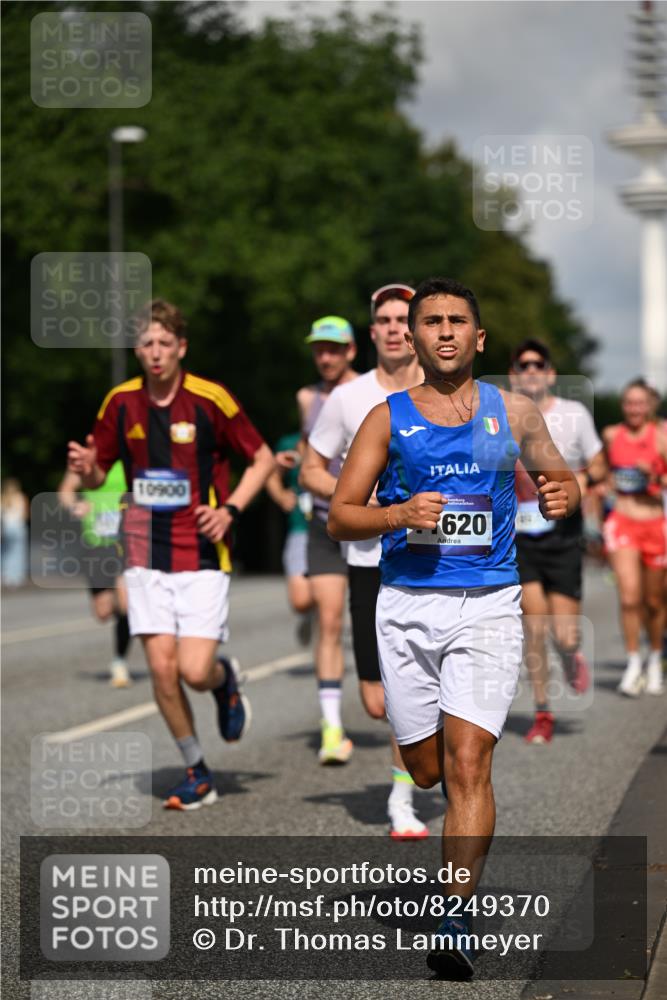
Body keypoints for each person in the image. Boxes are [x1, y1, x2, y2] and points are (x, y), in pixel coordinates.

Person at [328, 277, 580, 978]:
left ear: (477, 338)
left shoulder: (515, 411)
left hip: (489, 604)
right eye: (429, 322)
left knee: (469, 762)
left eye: (455, 321)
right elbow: (340, 514)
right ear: (411, 336)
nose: (442, 332)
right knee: (427, 769)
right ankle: (427, 789)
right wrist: (397, 516)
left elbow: (561, 481)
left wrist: (566, 492)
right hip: (406, 606)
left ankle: (454, 917)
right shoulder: (387, 417)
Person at [67, 299, 275, 809]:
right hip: (143, 549)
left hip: (203, 550)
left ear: (181, 347)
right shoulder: (120, 402)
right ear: (136, 350)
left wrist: (229, 509)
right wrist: (89, 468)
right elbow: (98, 474)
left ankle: (223, 681)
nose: (155, 353)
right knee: (161, 669)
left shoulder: (210, 399)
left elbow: (263, 458)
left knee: (193, 670)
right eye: (145, 344)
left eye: (164, 343)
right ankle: (196, 769)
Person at [302, 283, 430, 838]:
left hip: (434, 559)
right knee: (378, 702)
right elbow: (310, 469)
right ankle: (424, 751)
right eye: (385, 319)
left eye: (406, 318)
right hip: (366, 558)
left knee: (421, 685)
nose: (396, 327)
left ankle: (403, 800)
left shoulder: (446, 391)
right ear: (372, 332)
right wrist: (353, 496)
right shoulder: (348, 399)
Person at [508, 339, 606, 744]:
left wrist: (581, 480)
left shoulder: (574, 414)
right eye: (522, 365)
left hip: (563, 536)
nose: (530, 371)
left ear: (549, 373)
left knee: (564, 634)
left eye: (538, 364)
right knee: (534, 625)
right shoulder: (501, 414)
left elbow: (599, 462)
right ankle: (543, 712)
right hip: (520, 536)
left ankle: (569, 655)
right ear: (514, 374)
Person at [297, 316, 358, 764]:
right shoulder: (307, 398)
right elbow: (312, 451)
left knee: (378, 624)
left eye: (334, 349)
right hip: (323, 521)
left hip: (371, 524)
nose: (326, 357)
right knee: (330, 620)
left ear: (351, 351)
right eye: (319, 349)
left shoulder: (369, 392)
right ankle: (332, 727)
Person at [602, 378, 667, 696]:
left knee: (654, 602)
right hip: (622, 522)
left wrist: (655, 475)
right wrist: (600, 482)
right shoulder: (612, 435)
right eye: (629, 402)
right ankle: (632, 663)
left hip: (655, 525)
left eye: (640, 402)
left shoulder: (661, 437)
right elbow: (600, 469)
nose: (634, 408)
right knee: (629, 598)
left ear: (650, 405)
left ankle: (655, 657)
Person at [58, 462, 133, 687]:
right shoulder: (87, 459)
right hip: (96, 543)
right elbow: (66, 490)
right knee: (103, 612)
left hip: (126, 540)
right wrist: (75, 506)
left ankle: (119, 660)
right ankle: (126, 609)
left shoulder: (130, 453)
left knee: (126, 602)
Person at [265, 430, 315, 645]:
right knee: (300, 600)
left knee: (331, 603)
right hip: (301, 526)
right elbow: (270, 473)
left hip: (336, 529)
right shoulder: (288, 443)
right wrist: (281, 495)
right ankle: (309, 614)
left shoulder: (343, 435)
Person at [1, 478, 28, 587]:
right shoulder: (21, 497)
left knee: (5, 552)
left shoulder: (2, 498)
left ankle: (6, 575)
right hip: (18, 526)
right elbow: (25, 514)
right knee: (18, 552)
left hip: (6, 527)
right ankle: (16, 576)